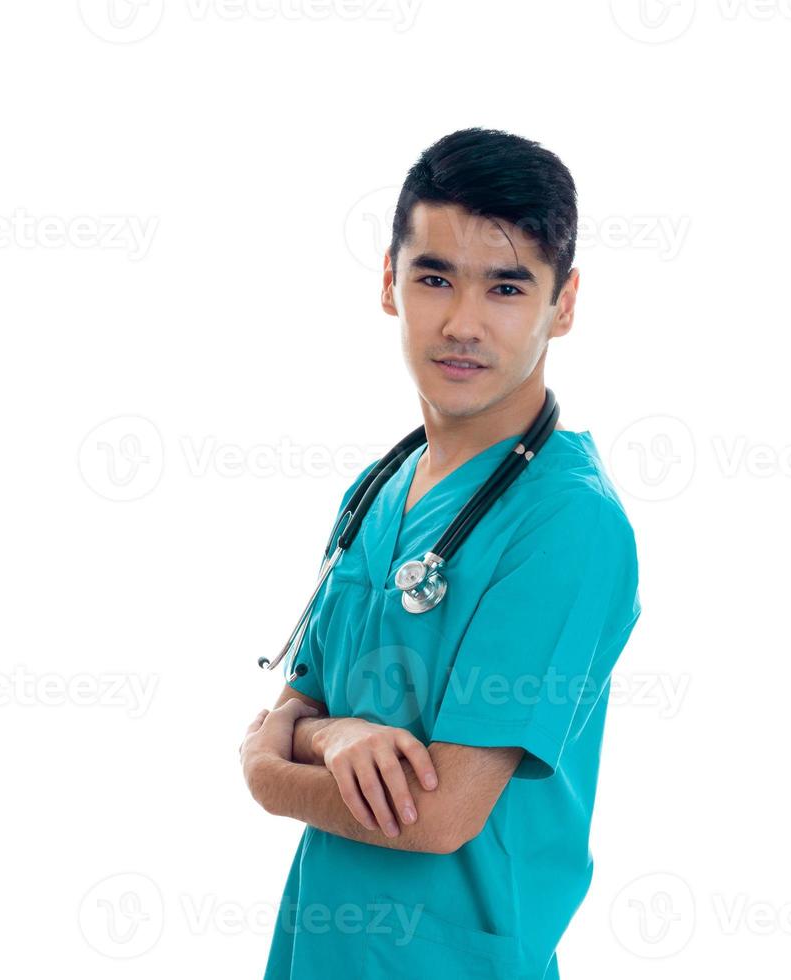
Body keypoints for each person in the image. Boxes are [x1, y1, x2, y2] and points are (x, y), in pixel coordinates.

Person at [239, 126, 642, 979]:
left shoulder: (568, 524)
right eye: (434, 278)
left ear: (562, 305)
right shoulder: (375, 491)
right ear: (390, 283)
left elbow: (439, 815)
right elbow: (299, 700)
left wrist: (273, 769)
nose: (462, 322)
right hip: (316, 953)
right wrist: (336, 732)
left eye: (506, 286)